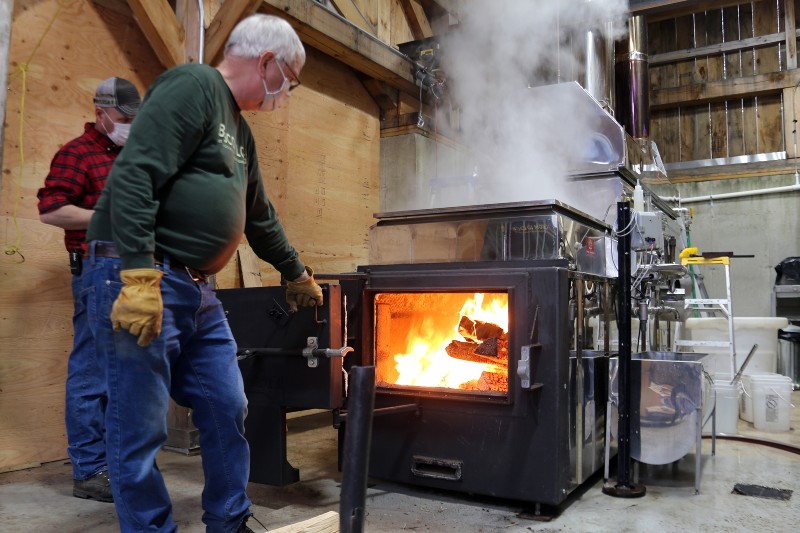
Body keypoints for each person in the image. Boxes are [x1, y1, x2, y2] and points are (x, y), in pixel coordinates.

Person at [84, 14, 323, 533]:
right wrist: (140, 276)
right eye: (291, 79)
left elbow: (259, 214)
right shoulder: (194, 85)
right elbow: (135, 174)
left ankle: (229, 521)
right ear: (266, 62)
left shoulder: (240, 132)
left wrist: (295, 271)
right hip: (146, 275)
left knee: (227, 404)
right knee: (139, 426)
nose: (288, 93)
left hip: (196, 288)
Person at [37, 77, 142, 503]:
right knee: (91, 371)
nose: (130, 125)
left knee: (127, 372)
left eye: (136, 118)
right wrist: (107, 215)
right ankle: (90, 468)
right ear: (101, 113)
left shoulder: (131, 155)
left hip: (134, 273)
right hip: (96, 273)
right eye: (123, 118)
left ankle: (120, 461)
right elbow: (51, 210)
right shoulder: (76, 153)